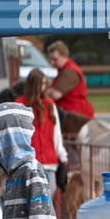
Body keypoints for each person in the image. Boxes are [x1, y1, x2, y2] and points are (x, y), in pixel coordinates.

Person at [15, 68, 68, 198]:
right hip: (28, 162)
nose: (42, 87)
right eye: (39, 84)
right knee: (31, 199)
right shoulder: (19, 104)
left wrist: (62, 156)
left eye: (44, 84)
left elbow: (56, 134)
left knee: (48, 197)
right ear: (32, 84)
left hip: (49, 162)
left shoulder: (50, 104)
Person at [45, 40, 95, 120]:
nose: (52, 62)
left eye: (54, 59)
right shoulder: (64, 70)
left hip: (74, 117)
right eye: (50, 59)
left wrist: (45, 91)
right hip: (71, 115)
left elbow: (55, 94)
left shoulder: (70, 71)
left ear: (64, 56)